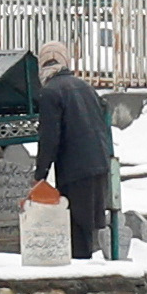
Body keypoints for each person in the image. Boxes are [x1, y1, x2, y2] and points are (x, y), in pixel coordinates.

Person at [34, 44, 117, 259]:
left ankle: (82, 276)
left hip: (75, 169)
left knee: (77, 229)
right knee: (87, 227)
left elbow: (49, 138)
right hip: (98, 163)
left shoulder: (50, 92)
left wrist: (39, 176)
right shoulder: (85, 86)